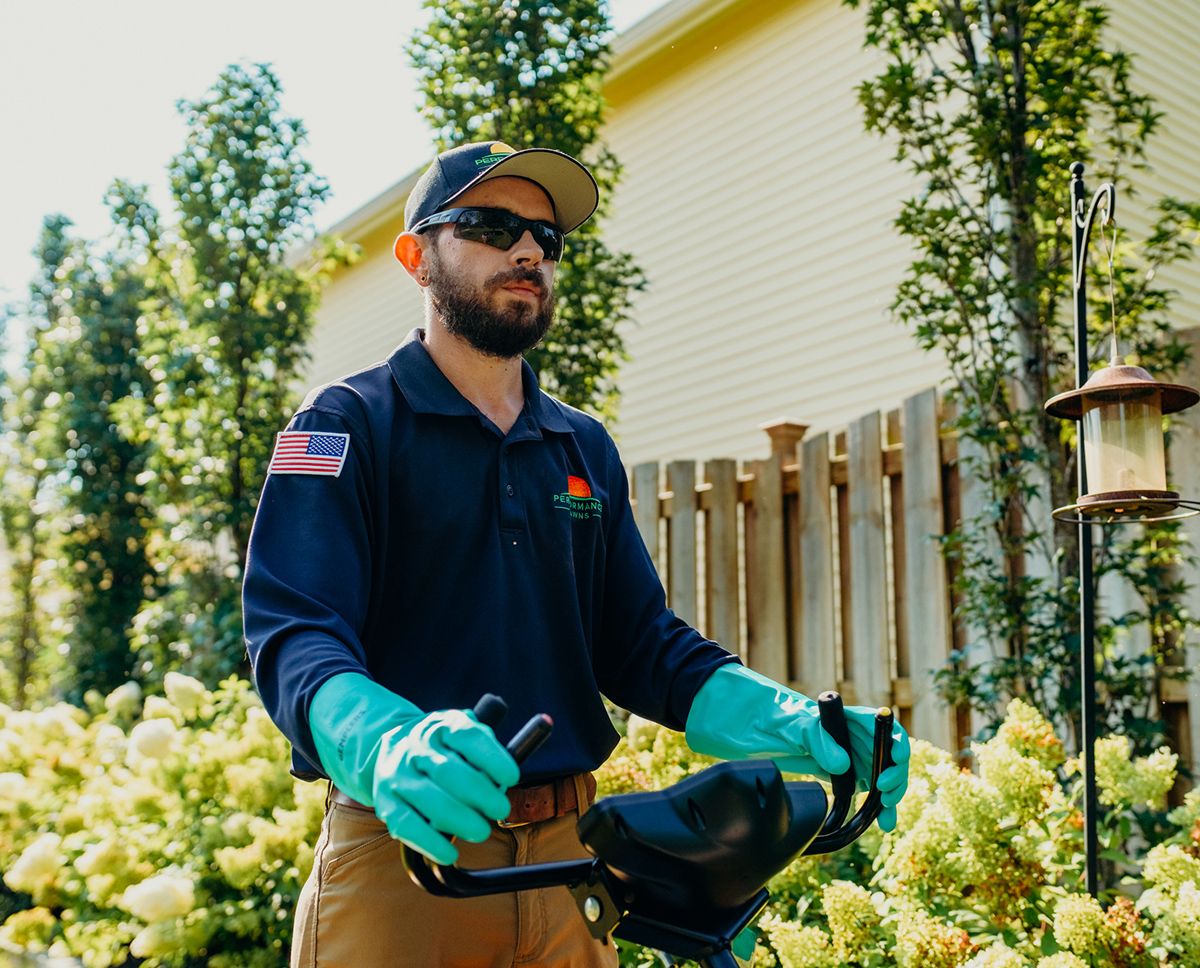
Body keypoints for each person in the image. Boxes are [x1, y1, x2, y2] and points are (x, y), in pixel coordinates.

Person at [242, 141, 911, 968]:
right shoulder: (344, 424)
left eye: (547, 238)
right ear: (416, 257)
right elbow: (294, 633)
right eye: (491, 225)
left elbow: (641, 647)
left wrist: (794, 723)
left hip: (573, 870)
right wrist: (384, 743)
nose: (528, 250)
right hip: (408, 868)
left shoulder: (582, 445)